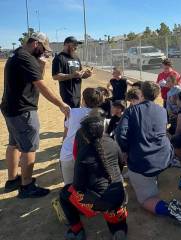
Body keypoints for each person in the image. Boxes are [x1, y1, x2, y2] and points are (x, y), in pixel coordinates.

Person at [116, 81, 181, 227]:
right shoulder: (161, 110)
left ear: (141, 93)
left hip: (145, 162)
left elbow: (120, 135)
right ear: (157, 95)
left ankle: (169, 210)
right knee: (148, 169)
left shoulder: (132, 110)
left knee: (145, 199)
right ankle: (153, 177)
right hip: (165, 156)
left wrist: (126, 151)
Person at [1, 32, 70, 198]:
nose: (44, 52)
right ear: (36, 44)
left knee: (14, 144)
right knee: (29, 148)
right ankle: (26, 186)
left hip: (11, 108)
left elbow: (36, 75)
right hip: (23, 110)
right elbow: (41, 84)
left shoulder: (18, 54)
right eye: (43, 48)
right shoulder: (26, 58)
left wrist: (42, 63)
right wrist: (61, 104)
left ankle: (12, 180)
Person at [59, 114, 128, 240]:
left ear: (85, 134)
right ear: (102, 130)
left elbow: (78, 186)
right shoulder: (112, 142)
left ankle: (77, 230)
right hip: (119, 195)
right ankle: (118, 228)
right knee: (117, 225)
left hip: (99, 202)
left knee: (64, 194)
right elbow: (120, 164)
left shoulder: (83, 153)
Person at [60, 88, 104, 184]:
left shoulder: (72, 112)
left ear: (83, 100)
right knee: (85, 184)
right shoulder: (100, 116)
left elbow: (66, 131)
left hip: (68, 152)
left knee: (69, 185)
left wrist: (63, 143)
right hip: (88, 156)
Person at [52, 36, 92, 108]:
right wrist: (72, 75)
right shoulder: (59, 58)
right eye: (74, 45)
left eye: (76, 45)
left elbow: (80, 74)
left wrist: (86, 75)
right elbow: (55, 76)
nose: (76, 47)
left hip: (77, 92)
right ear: (66, 45)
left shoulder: (76, 58)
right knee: (71, 114)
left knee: (73, 115)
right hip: (67, 93)